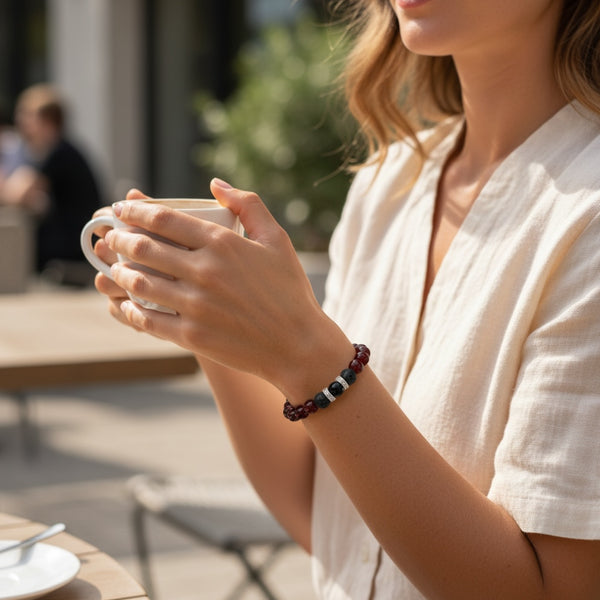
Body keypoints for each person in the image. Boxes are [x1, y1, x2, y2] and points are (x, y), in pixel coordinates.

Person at [93, 0, 600, 597]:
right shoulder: (389, 186)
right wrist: (206, 314)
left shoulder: (586, 216)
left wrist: (306, 354)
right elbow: (338, 529)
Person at [1, 84, 102, 279]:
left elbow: (18, 192)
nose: (20, 122)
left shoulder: (59, 154)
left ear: (46, 121)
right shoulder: (62, 150)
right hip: (75, 240)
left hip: (73, 247)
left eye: (26, 115)